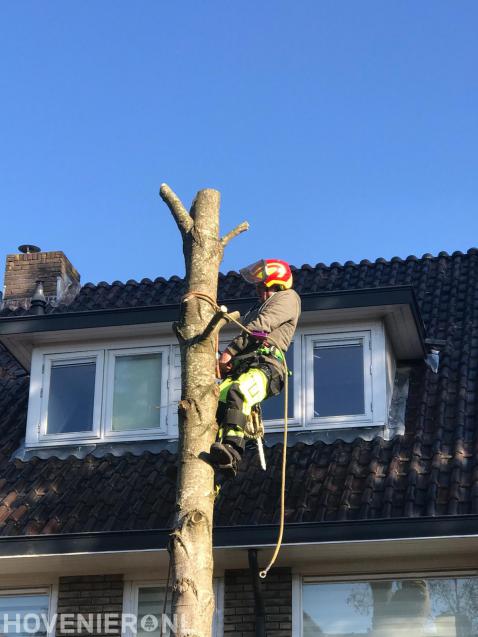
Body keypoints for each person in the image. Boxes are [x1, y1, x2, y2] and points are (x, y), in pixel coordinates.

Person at [210, 259, 301, 478]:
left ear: (278, 286)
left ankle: (232, 449)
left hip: (267, 366)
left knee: (239, 391)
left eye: (266, 287)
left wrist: (229, 352)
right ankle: (202, 464)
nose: (262, 293)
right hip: (245, 366)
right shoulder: (256, 308)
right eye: (260, 288)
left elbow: (260, 327)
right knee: (215, 405)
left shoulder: (287, 298)